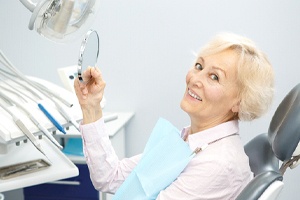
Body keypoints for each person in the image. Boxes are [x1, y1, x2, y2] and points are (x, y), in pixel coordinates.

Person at [74, 32, 274, 199]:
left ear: (240, 101)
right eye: (199, 66)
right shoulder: (188, 141)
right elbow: (110, 177)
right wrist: (91, 107)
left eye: (214, 77)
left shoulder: (218, 163)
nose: (195, 79)